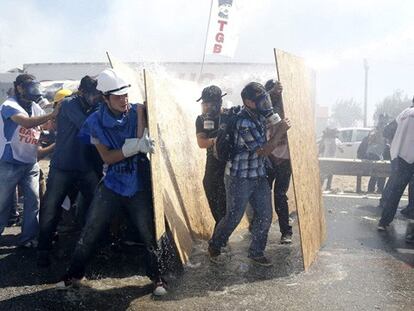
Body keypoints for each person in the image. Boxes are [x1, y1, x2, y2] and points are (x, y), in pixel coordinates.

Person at [57, 68, 167, 296]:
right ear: (105, 98)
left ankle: (157, 277)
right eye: (118, 97)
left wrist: (141, 123)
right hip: (112, 183)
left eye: (126, 95)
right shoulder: (94, 122)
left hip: (137, 182)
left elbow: (145, 135)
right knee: (91, 230)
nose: (124, 100)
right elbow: (107, 157)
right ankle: (74, 274)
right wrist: (134, 147)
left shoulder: (137, 111)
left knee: (148, 232)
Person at [208, 82, 290, 266]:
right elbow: (263, 150)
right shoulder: (244, 122)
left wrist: (274, 93)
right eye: (260, 100)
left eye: (265, 99)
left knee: (265, 214)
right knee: (233, 217)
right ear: (248, 102)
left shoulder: (259, 114)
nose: (265, 104)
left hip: (258, 174)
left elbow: (268, 109)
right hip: (239, 177)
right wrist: (281, 130)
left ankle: (256, 251)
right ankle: (215, 244)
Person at [37, 77, 102, 266]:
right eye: (93, 93)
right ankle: (43, 249)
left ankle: (92, 249)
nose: (96, 97)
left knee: (97, 207)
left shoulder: (95, 106)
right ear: (81, 91)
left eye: (98, 94)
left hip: (86, 167)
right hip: (62, 167)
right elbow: (88, 126)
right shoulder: (68, 104)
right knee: (51, 208)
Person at [0, 74, 60, 247]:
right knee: (2, 203)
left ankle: (28, 238)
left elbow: (45, 126)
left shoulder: (34, 106)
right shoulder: (9, 105)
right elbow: (26, 123)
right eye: (30, 87)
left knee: (34, 200)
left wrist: (56, 115)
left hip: (30, 161)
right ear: (19, 87)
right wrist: (52, 114)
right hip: (10, 161)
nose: (34, 91)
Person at [264, 79, 293, 244]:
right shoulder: (263, 109)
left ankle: (286, 232)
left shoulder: (286, 107)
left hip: (284, 159)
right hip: (268, 157)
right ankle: (260, 229)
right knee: (262, 196)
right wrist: (271, 93)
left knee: (280, 196)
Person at [378, 103, 414, 231]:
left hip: (400, 157)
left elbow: (387, 131)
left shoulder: (403, 114)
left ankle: (384, 221)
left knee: (396, 190)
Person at [195, 85, 227, 228]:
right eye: (204, 104)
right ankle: (220, 224)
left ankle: (221, 230)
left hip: (230, 162)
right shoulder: (201, 119)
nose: (206, 107)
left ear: (218, 103)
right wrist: (216, 141)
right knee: (208, 185)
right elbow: (201, 143)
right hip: (213, 160)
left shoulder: (228, 116)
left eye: (210, 104)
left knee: (223, 195)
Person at [357, 129, 386, 193]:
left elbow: (360, 152)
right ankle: (379, 189)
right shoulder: (380, 142)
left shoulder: (368, 141)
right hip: (373, 164)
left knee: (377, 172)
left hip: (367, 164)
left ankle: (372, 189)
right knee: (381, 171)